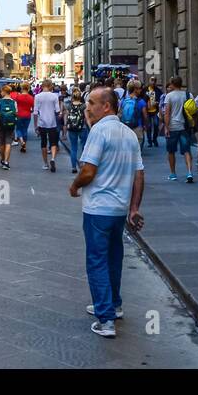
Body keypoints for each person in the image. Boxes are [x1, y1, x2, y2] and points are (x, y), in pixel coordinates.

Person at [70, 86, 145, 338]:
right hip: (119, 210)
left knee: (97, 261)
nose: (87, 107)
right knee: (113, 259)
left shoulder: (99, 132)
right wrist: (134, 207)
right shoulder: (128, 134)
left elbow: (89, 171)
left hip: (98, 209)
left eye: (91, 103)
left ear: (107, 106)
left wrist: (74, 184)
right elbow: (139, 174)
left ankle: (106, 319)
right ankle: (114, 304)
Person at [160, 76, 194, 183]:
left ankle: (173, 173)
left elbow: (167, 114)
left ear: (172, 84)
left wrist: (166, 127)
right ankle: (189, 172)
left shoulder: (169, 96)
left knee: (171, 151)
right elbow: (193, 110)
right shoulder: (189, 95)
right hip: (184, 126)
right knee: (187, 150)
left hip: (173, 126)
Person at [34, 80, 63, 173]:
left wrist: (35, 125)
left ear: (42, 86)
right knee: (53, 142)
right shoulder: (54, 96)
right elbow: (57, 111)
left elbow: (35, 112)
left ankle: (45, 163)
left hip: (42, 123)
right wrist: (60, 115)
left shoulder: (37, 96)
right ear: (50, 86)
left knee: (43, 143)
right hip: (52, 123)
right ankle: (53, 158)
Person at [0, 85, 18, 170]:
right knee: (8, 143)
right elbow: (16, 114)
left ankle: (2, 159)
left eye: (1, 91)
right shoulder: (14, 102)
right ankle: (6, 162)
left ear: (4, 91)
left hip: (1, 124)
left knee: (2, 143)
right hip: (10, 125)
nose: (0, 93)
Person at [64, 88, 88, 174]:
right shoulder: (84, 106)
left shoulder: (68, 105)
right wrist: (90, 126)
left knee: (73, 147)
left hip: (72, 128)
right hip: (82, 127)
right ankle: (83, 163)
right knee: (84, 146)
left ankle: (73, 167)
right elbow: (86, 117)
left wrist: (65, 126)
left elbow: (66, 117)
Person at [13, 82, 34, 153]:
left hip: (19, 115)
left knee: (18, 129)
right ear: (28, 89)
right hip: (27, 115)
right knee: (25, 130)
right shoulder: (31, 98)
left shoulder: (18, 97)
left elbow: (14, 106)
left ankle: (21, 141)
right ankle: (24, 146)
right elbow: (33, 108)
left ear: (22, 88)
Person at [143, 79, 161, 148]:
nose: (153, 82)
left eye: (154, 81)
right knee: (149, 126)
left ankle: (155, 139)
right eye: (151, 80)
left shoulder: (157, 90)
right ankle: (150, 141)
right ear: (149, 81)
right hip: (147, 111)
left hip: (155, 111)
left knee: (156, 125)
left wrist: (157, 102)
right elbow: (142, 98)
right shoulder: (145, 89)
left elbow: (160, 98)